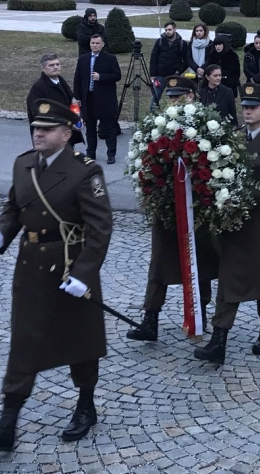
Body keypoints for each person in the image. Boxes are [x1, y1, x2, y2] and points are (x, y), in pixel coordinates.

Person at [0, 99, 112, 451]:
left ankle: (86, 406)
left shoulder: (84, 172)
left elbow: (100, 227)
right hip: (30, 269)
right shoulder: (24, 164)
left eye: (46, 129)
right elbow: (15, 208)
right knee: (24, 342)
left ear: (67, 132)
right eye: (35, 128)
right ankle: (7, 424)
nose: (38, 133)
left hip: (67, 270)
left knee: (81, 339)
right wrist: (1, 235)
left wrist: (84, 273)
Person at [194, 84, 260, 365]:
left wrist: (239, 194)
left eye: (253, 106)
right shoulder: (235, 137)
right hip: (235, 223)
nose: (247, 111)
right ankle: (219, 340)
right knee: (229, 276)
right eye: (245, 106)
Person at [127, 78, 219, 342]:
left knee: (198, 262)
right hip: (167, 207)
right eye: (171, 98)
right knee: (160, 263)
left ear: (191, 96)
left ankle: (198, 315)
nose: (174, 102)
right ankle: (150, 320)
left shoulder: (205, 126)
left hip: (195, 208)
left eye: (179, 97)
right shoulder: (160, 127)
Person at [73, 34, 121, 164]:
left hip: (105, 99)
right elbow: (77, 79)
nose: (95, 45)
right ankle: (90, 153)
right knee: (90, 128)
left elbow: (117, 75)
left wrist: (101, 77)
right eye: (93, 43)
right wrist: (77, 97)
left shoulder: (110, 58)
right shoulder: (83, 59)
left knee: (108, 128)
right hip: (88, 98)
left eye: (97, 43)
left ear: (102, 44)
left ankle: (111, 154)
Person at [26, 53, 83, 146]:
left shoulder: (61, 81)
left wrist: (78, 119)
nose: (56, 67)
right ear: (43, 68)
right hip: (49, 137)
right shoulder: (38, 88)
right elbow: (40, 114)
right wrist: (67, 123)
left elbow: (72, 103)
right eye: (51, 65)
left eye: (57, 64)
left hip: (64, 134)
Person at [150, 20, 187, 106]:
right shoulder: (160, 42)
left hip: (174, 76)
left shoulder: (182, 43)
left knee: (176, 99)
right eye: (166, 30)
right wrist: (152, 74)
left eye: (169, 29)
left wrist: (178, 72)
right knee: (155, 99)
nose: (167, 32)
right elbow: (153, 58)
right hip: (160, 76)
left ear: (175, 29)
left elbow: (186, 61)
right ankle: (152, 117)